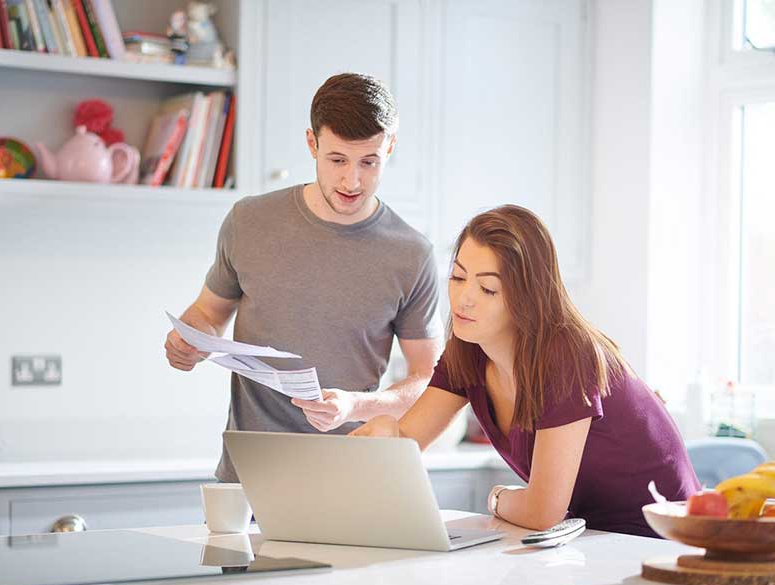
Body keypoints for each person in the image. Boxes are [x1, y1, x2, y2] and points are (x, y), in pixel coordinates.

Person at [352, 205, 700, 536]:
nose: (463, 299)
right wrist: (389, 436)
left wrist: (497, 497)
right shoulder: (468, 349)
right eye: (458, 277)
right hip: (590, 536)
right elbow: (408, 446)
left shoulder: (567, 356)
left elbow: (542, 512)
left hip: (660, 539)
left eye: (487, 288)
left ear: (526, 297)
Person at [165, 73, 444, 483]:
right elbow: (208, 313)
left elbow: (430, 379)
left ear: (391, 147)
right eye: (337, 160)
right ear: (312, 143)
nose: (352, 181)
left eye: (370, 162)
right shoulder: (249, 221)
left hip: (350, 480)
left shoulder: (412, 254)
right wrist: (187, 340)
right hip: (249, 479)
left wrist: (354, 406)